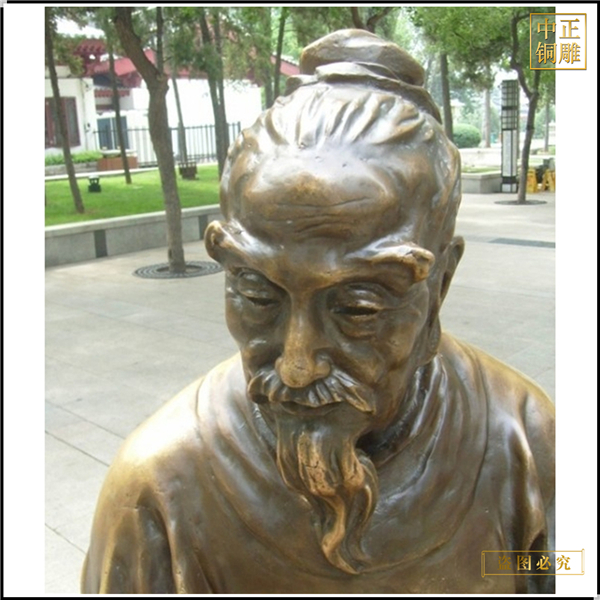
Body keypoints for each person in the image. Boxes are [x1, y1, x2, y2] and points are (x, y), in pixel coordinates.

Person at [81, 30, 554, 594]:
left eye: (357, 308)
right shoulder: (158, 491)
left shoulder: (525, 445)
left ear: (440, 286)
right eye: (258, 297)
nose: (297, 366)